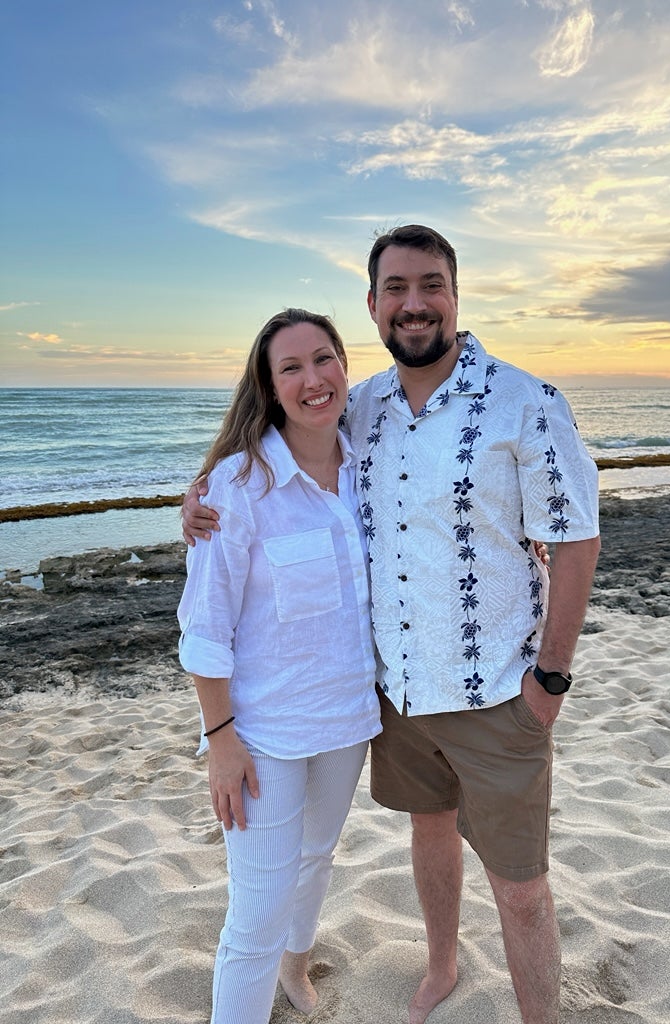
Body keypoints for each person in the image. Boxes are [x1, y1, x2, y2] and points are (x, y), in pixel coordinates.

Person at [184, 225, 601, 1024]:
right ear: (372, 305)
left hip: (495, 693)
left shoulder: (527, 402)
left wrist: (549, 678)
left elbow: (576, 535)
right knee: (428, 835)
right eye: (397, 289)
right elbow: (264, 468)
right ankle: (441, 966)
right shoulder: (361, 407)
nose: (415, 304)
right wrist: (201, 500)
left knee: (520, 886)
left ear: (455, 293)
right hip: (395, 698)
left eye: (431, 285)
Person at [177, 308, 381, 1024]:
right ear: (268, 387)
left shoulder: (371, 465)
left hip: (349, 718)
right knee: (256, 912)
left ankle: (298, 969)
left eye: (323, 359)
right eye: (290, 367)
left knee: (317, 857)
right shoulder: (236, 487)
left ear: (345, 368)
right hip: (261, 734)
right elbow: (205, 627)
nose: (312, 379)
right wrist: (220, 740)